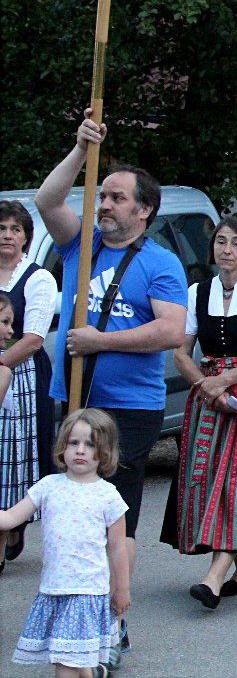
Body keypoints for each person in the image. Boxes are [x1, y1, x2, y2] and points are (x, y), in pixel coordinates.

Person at [34, 109, 186, 668]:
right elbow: (48, 201)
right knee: (70, 509)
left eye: (117, 198)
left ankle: (111, 620)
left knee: (113, 516)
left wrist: (100, 341)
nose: (105, 205)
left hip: (129, 409)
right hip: (75, 399)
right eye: (102, 195)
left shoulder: (162, 263)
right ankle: (72, 611)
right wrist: (81, 148)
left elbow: (171, 331)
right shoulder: (82, 244)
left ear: (144, 211)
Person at [162, 218, 237, 608]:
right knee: (215, 478)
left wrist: (225, 380)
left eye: (235, 243)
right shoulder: (198, 291)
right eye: (220, 241)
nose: (226, 249)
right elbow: (181, 353)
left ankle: (214, 578)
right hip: (210, 396)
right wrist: (206, 385)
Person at [3, 408, 129, 675]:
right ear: (63, 447)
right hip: (54, 590)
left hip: (87, 593)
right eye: (73, 442)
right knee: (71, 657)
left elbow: (118, 548)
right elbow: (10, 518)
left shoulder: (108, 496)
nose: (80, 450)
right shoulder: (48, 486)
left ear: (105, 451)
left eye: (90, 444)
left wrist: (122, 589)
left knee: (66, 663)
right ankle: (93, 672)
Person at [0, 200, 57, 571]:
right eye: (1, 228)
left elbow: (33, 338)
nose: (7, 235)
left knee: (15, 453)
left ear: (25, 237)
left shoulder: (38, 279)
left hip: (20, 373)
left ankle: (12, 522)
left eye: (15, 229)